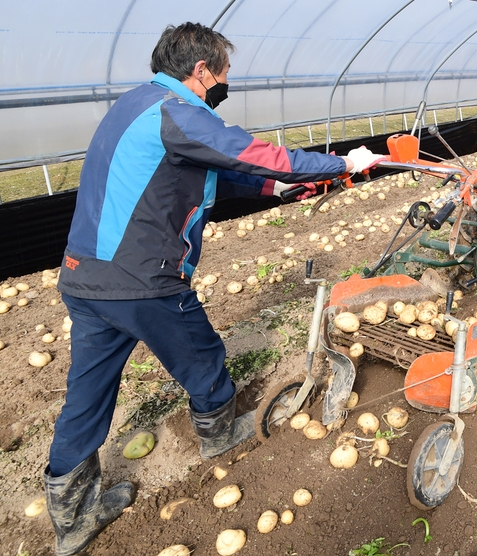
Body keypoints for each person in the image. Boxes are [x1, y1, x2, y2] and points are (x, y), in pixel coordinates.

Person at [46, 22, 384, 556]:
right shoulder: (177, 112)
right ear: (200, 71)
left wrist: (275, 189)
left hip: (85, 277)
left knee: (86, 396)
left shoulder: (134, 105)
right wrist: (343, 163)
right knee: (203, 356)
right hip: (142, 278)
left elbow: (210, 173)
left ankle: (72, 519)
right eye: (223, 74)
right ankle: (218, 433)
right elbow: (249, 153)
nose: (226, 84)